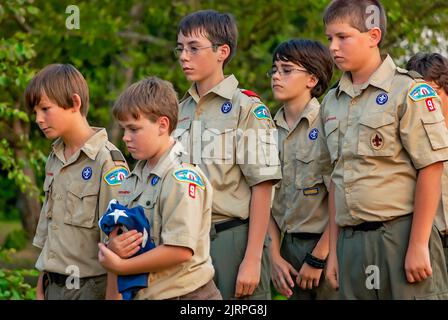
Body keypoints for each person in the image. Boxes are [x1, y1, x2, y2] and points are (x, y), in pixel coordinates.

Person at [322, 0, 448, 299]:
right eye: (329, 38)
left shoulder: (407, 91)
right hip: (350, 241)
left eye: (343, 37)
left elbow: (431, 167)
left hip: (400, 235)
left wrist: (418, 245)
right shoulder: (331, 102)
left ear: (373, 36)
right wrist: (335, 253)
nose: (333, 47)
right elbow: (337, 179)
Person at [174, 10, 282, 299]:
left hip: (231, 240)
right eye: (181, 48)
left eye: (194, 48)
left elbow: (263, 185)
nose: (184, 56)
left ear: (222, 51)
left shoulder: (246, 109)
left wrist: (252, 258)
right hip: (183, 243)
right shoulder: (176, 111)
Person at [97, 76, 221, 300]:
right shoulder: (134, 178)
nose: (125, 137)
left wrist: (122, 267)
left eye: (134, 129)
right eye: (124, 129)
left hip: (187, 296)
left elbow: (180, 250)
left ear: (162, 125)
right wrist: (115, 249)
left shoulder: (181, 177)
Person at [25, 63, 129, 300]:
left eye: (45, 109)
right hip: (53, 285)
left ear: (74, 103)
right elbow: (52, 230)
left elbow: (117, 241)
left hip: (89, 288)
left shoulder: (107, 162)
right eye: (35, 112)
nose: (39, 119)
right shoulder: (55, 158)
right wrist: (42, 283)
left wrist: (114, 296)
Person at [267, 39, 336, 300]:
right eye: (274, 69)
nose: (276, 76)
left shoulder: (329, 122)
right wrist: (274, 257)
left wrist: (319, 258)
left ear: (311, 78)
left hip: (329, 245)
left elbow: (341, 195)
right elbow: (264, 199)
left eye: (286, 70)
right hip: (288, 248)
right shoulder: (267, 131)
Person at [406, 53, 448, 270]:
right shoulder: (408, 142)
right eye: (419, 95)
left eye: (433, 92)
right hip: (429, 243)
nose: (426, 101)